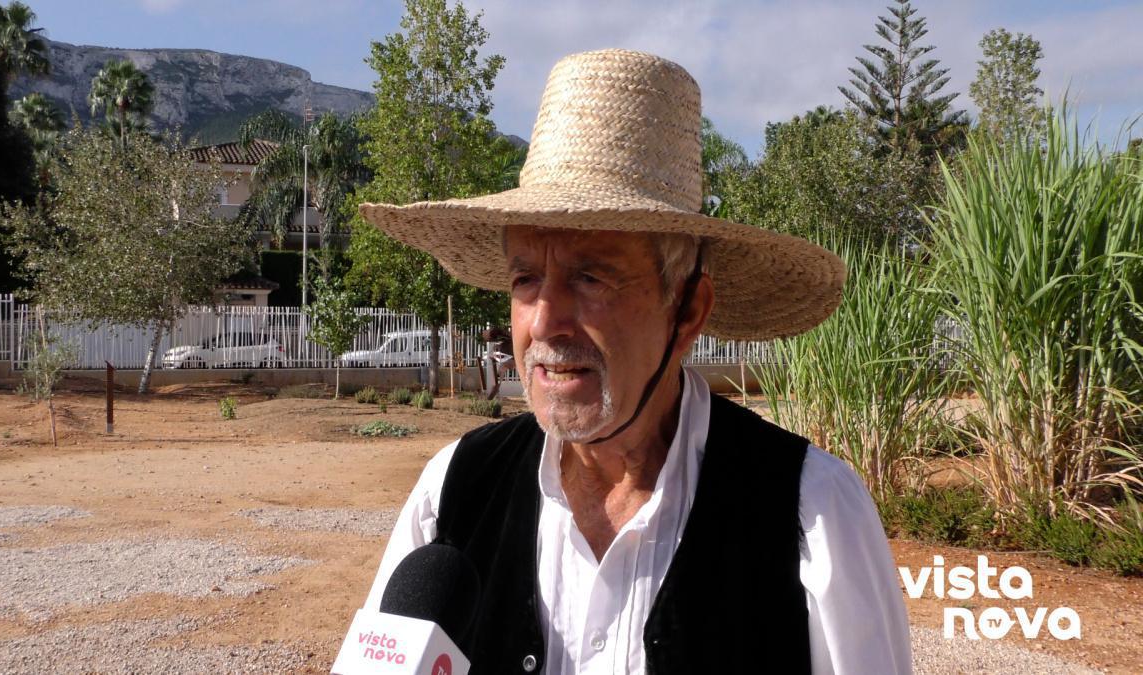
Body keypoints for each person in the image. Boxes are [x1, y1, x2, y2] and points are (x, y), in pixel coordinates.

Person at [359, 49, 911, 674]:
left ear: (687, 310)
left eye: (591, 277)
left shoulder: (810, 514)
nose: (543, 320)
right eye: (524, 279)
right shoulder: (452, 494)